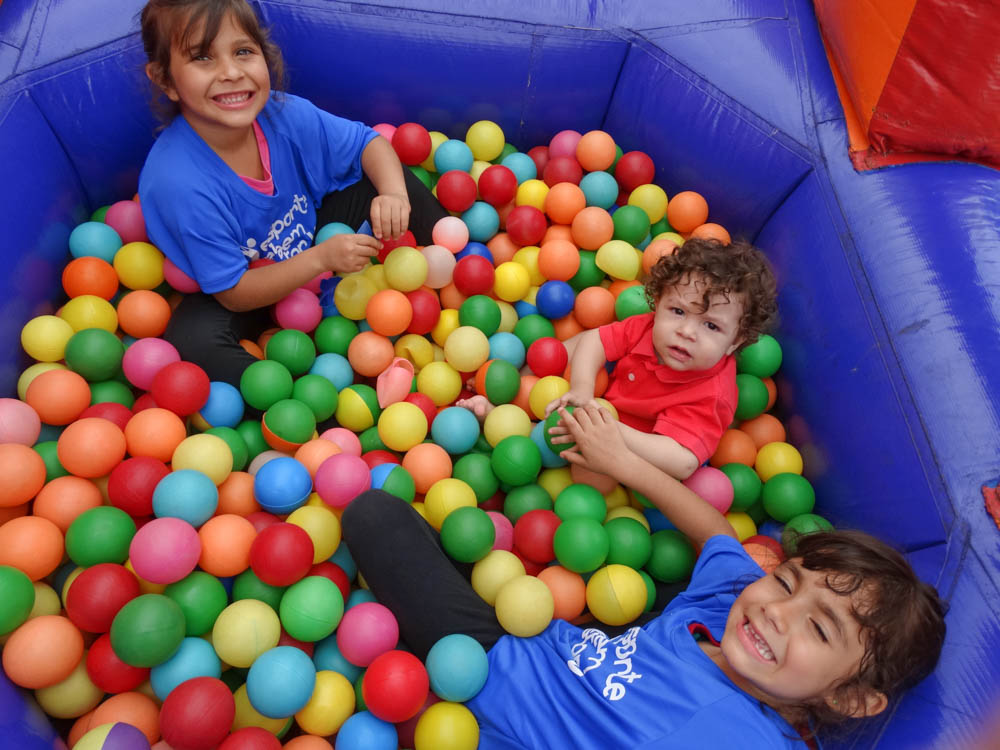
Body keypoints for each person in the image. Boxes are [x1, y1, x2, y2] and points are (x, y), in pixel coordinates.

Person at [342, 402, 947, 749]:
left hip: (489, 692)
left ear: (849, 698)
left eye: (819, 628)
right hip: (521, 641)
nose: (776, 610)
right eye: (786, 582)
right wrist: (623, 463)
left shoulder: (745, 737)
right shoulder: (732, 604)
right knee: (375, 513)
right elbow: (716, 534)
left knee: (373, 520)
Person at [137, 0, 448, 386]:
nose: (231, 72)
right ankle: (299, 401)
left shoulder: (284, 115)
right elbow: (233, 293)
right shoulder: (179, 182)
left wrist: (394, 197)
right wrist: (321, 258)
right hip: (241, 290)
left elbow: (370, 145)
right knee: (191, 342)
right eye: (203, 57)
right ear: (165, 80)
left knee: (387, 181)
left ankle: (455, 278)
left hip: (315, 242)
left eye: (243, 52)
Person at [463, 238, 778, 487]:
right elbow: (596, 340)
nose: (686, 332)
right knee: (574, 345)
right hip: (598, 397)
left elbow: (682, 461)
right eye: (678, 311)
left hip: (630, 441)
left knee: (591, 471)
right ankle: (514, 395)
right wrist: (582, 389)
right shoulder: (648, 327)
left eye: (710, 326)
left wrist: (609, 431)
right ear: (659, 303)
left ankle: (514, 429)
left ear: (735, 342)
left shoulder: (711, 395)